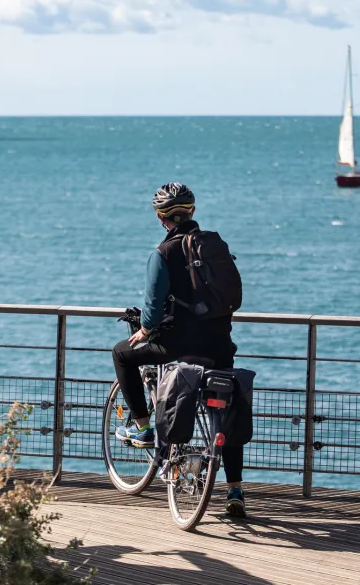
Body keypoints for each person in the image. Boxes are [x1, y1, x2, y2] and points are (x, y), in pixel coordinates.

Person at [111, 183, 246, 517]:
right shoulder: (215, 244)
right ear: (193, 211)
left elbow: (153, 307)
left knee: (121, 353)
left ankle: (142, 425)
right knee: (224, 409)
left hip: (176, 346)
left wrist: (144, 330)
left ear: (160, 217)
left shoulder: (163, 253)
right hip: (219, 345)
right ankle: (235, 490)